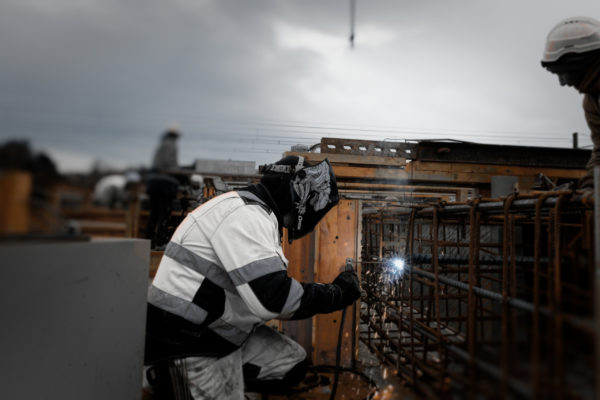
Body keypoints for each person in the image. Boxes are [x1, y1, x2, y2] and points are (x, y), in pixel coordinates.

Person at [143, 155, 362, 399]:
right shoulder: (246, 215)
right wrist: (336, 294)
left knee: (291, 362)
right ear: (297, 188)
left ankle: (220, 382)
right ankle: (175, 383)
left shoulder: (257, 212)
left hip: (215, 332)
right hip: (187, 343)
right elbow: (274, 299)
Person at [541, 16, 600, 189]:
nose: (563, 83)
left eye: (564, 73)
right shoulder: (592, 101)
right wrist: (589, 186)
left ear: (581, 65)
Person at [145, 128, 181, 248]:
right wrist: (179, 172)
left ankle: (148, 241)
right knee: (163, 214)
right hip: (164, 184)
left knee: (153, 214)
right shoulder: (171, 146)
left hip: (154, 183)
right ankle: (160, 242)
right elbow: (170, 163)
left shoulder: (161, 145)